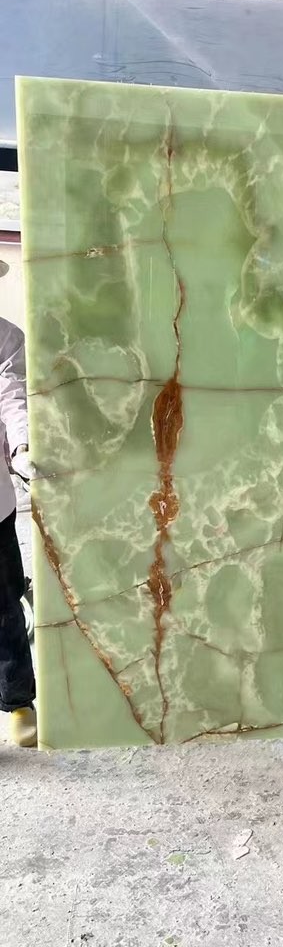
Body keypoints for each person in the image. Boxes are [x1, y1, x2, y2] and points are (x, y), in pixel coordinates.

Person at [0, 263, 37, 747]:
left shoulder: (6, 337)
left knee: (4, 604)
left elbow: (12, 395)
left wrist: (24, 446)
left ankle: (17, 700)